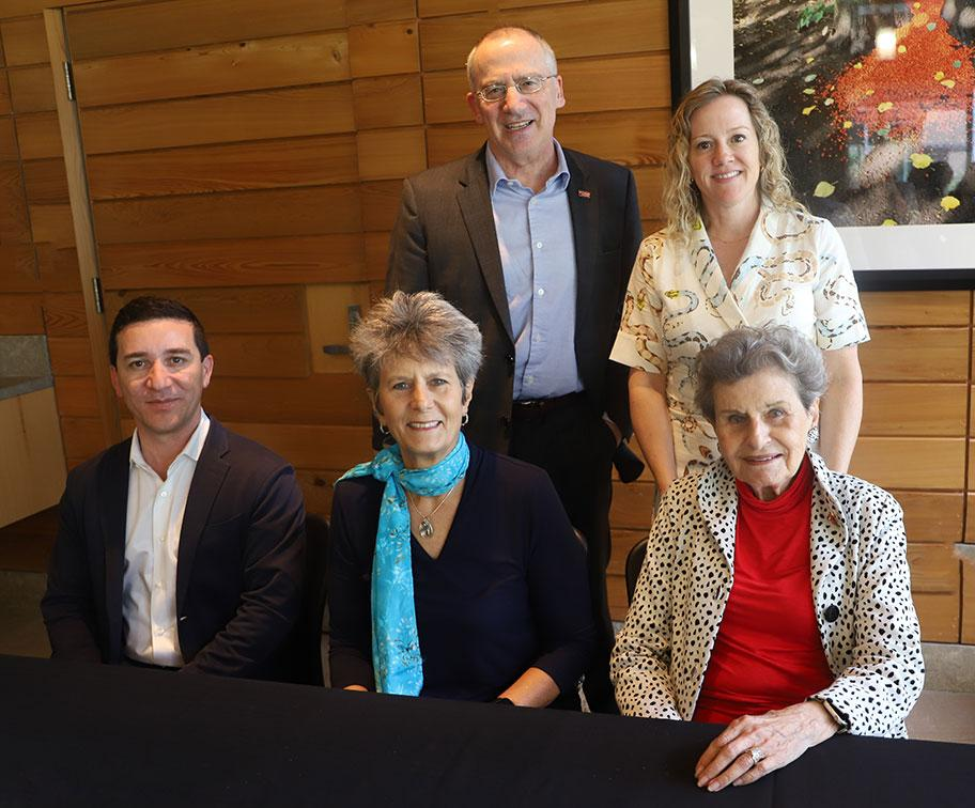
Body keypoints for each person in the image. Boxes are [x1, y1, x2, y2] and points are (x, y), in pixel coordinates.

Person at [386, 25, 642, 711]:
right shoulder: (430, 198)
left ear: (557, 90)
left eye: (528, 82)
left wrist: (623, 422)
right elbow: (400, 336)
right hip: (471, 435)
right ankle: (515, 710)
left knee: (581, 571)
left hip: (579, 425)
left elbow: (633, 319)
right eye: (494, 88)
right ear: (474, 104)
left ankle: (598, 698)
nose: (513, 101)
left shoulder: (611, 190)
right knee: (487, 580)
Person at [611, 325, 923, 792]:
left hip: (825, 738)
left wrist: (810, 721)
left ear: (812, 413)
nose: (757, 439)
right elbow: (636, 652)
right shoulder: (682, 506)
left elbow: (896, 666)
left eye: (776, 413)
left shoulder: (868, 513)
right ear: (715, 427)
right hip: (700, 746)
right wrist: (669, 735)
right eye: (735, 418)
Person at [328, 291, 595, 707]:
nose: (421, 401)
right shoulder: (356, 498)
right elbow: (347, 644)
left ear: (466, 394)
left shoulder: (525, 491)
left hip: (511, 724)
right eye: (400, 385)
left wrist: (497, 719)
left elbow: (572, 643)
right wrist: (368, 718)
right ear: (378, 405)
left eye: (438, 381)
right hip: (395, 725)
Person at [610, 78, 868, 493]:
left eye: (737, 138)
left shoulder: (814, 239)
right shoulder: (657, 255)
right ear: (687, 162)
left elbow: (841, 374)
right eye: (704, 145)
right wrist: (672, 490)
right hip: (693, 489)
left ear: (761, 150)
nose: (723, 156)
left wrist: (831, 486)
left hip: (796, 486)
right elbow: (645, 385)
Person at [41, 296, 305, 678]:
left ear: (206, 370)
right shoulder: (88, 484)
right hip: (117, 683)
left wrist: (180, 695)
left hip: (225, 687)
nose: (158, 381)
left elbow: (270, 609)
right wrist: (93, 687)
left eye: (176, 360)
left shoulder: (264, 480)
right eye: (138, 363)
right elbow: (65, 602)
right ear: (116, 380)